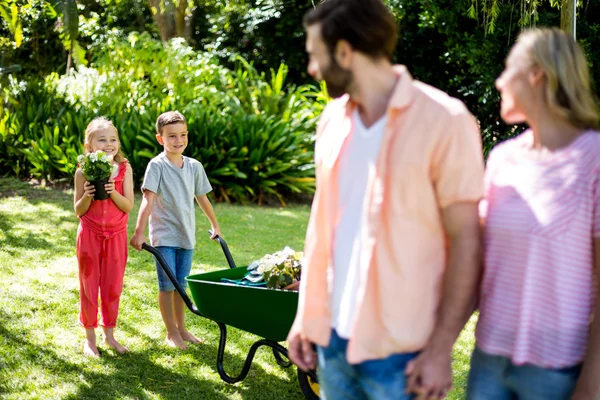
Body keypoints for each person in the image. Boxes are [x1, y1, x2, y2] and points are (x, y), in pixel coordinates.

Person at [286, 0, 485, 398]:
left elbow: (468, 243)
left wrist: (441, 348)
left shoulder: (445, 121)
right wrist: (304, 317)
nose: (312, 69)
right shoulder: (331, 121)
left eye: (315, 56)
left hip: (403, 353)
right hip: (332, 342)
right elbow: (322, 229)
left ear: (344, 51)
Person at [467, 28, 600, 400]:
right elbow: (476, 262)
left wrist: (593, 380)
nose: (498, 81)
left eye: (508, 68)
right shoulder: (502, 158)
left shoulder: (594, 159)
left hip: (557, 371)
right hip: (488, 361)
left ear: (537, 73)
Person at [130, 111, 221, 350]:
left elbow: (202, 198)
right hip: (164, 237)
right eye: (171, 136)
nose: (178, 140)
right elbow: (147, 201)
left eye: (182, 135)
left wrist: (215, 224)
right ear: (160, 138)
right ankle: (171, 333)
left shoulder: (194, 166)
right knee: (167, 286)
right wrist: (139, 232)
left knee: (180, 285)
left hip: (186, 236)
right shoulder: (156, 166)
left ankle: (182, 329)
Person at [74, 117, 134, 357]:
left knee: (112, 286)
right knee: (89, 286)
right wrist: (88, 194)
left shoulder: (124, 169)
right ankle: (90, 339)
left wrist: (112, 192)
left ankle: (109, 336)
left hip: (116, 235)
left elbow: (128, 205)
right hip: (90, 234)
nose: (109, 144)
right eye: (102, 140)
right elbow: (78, 210)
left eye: (113, 139)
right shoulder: (82, 172)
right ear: (89, 146)